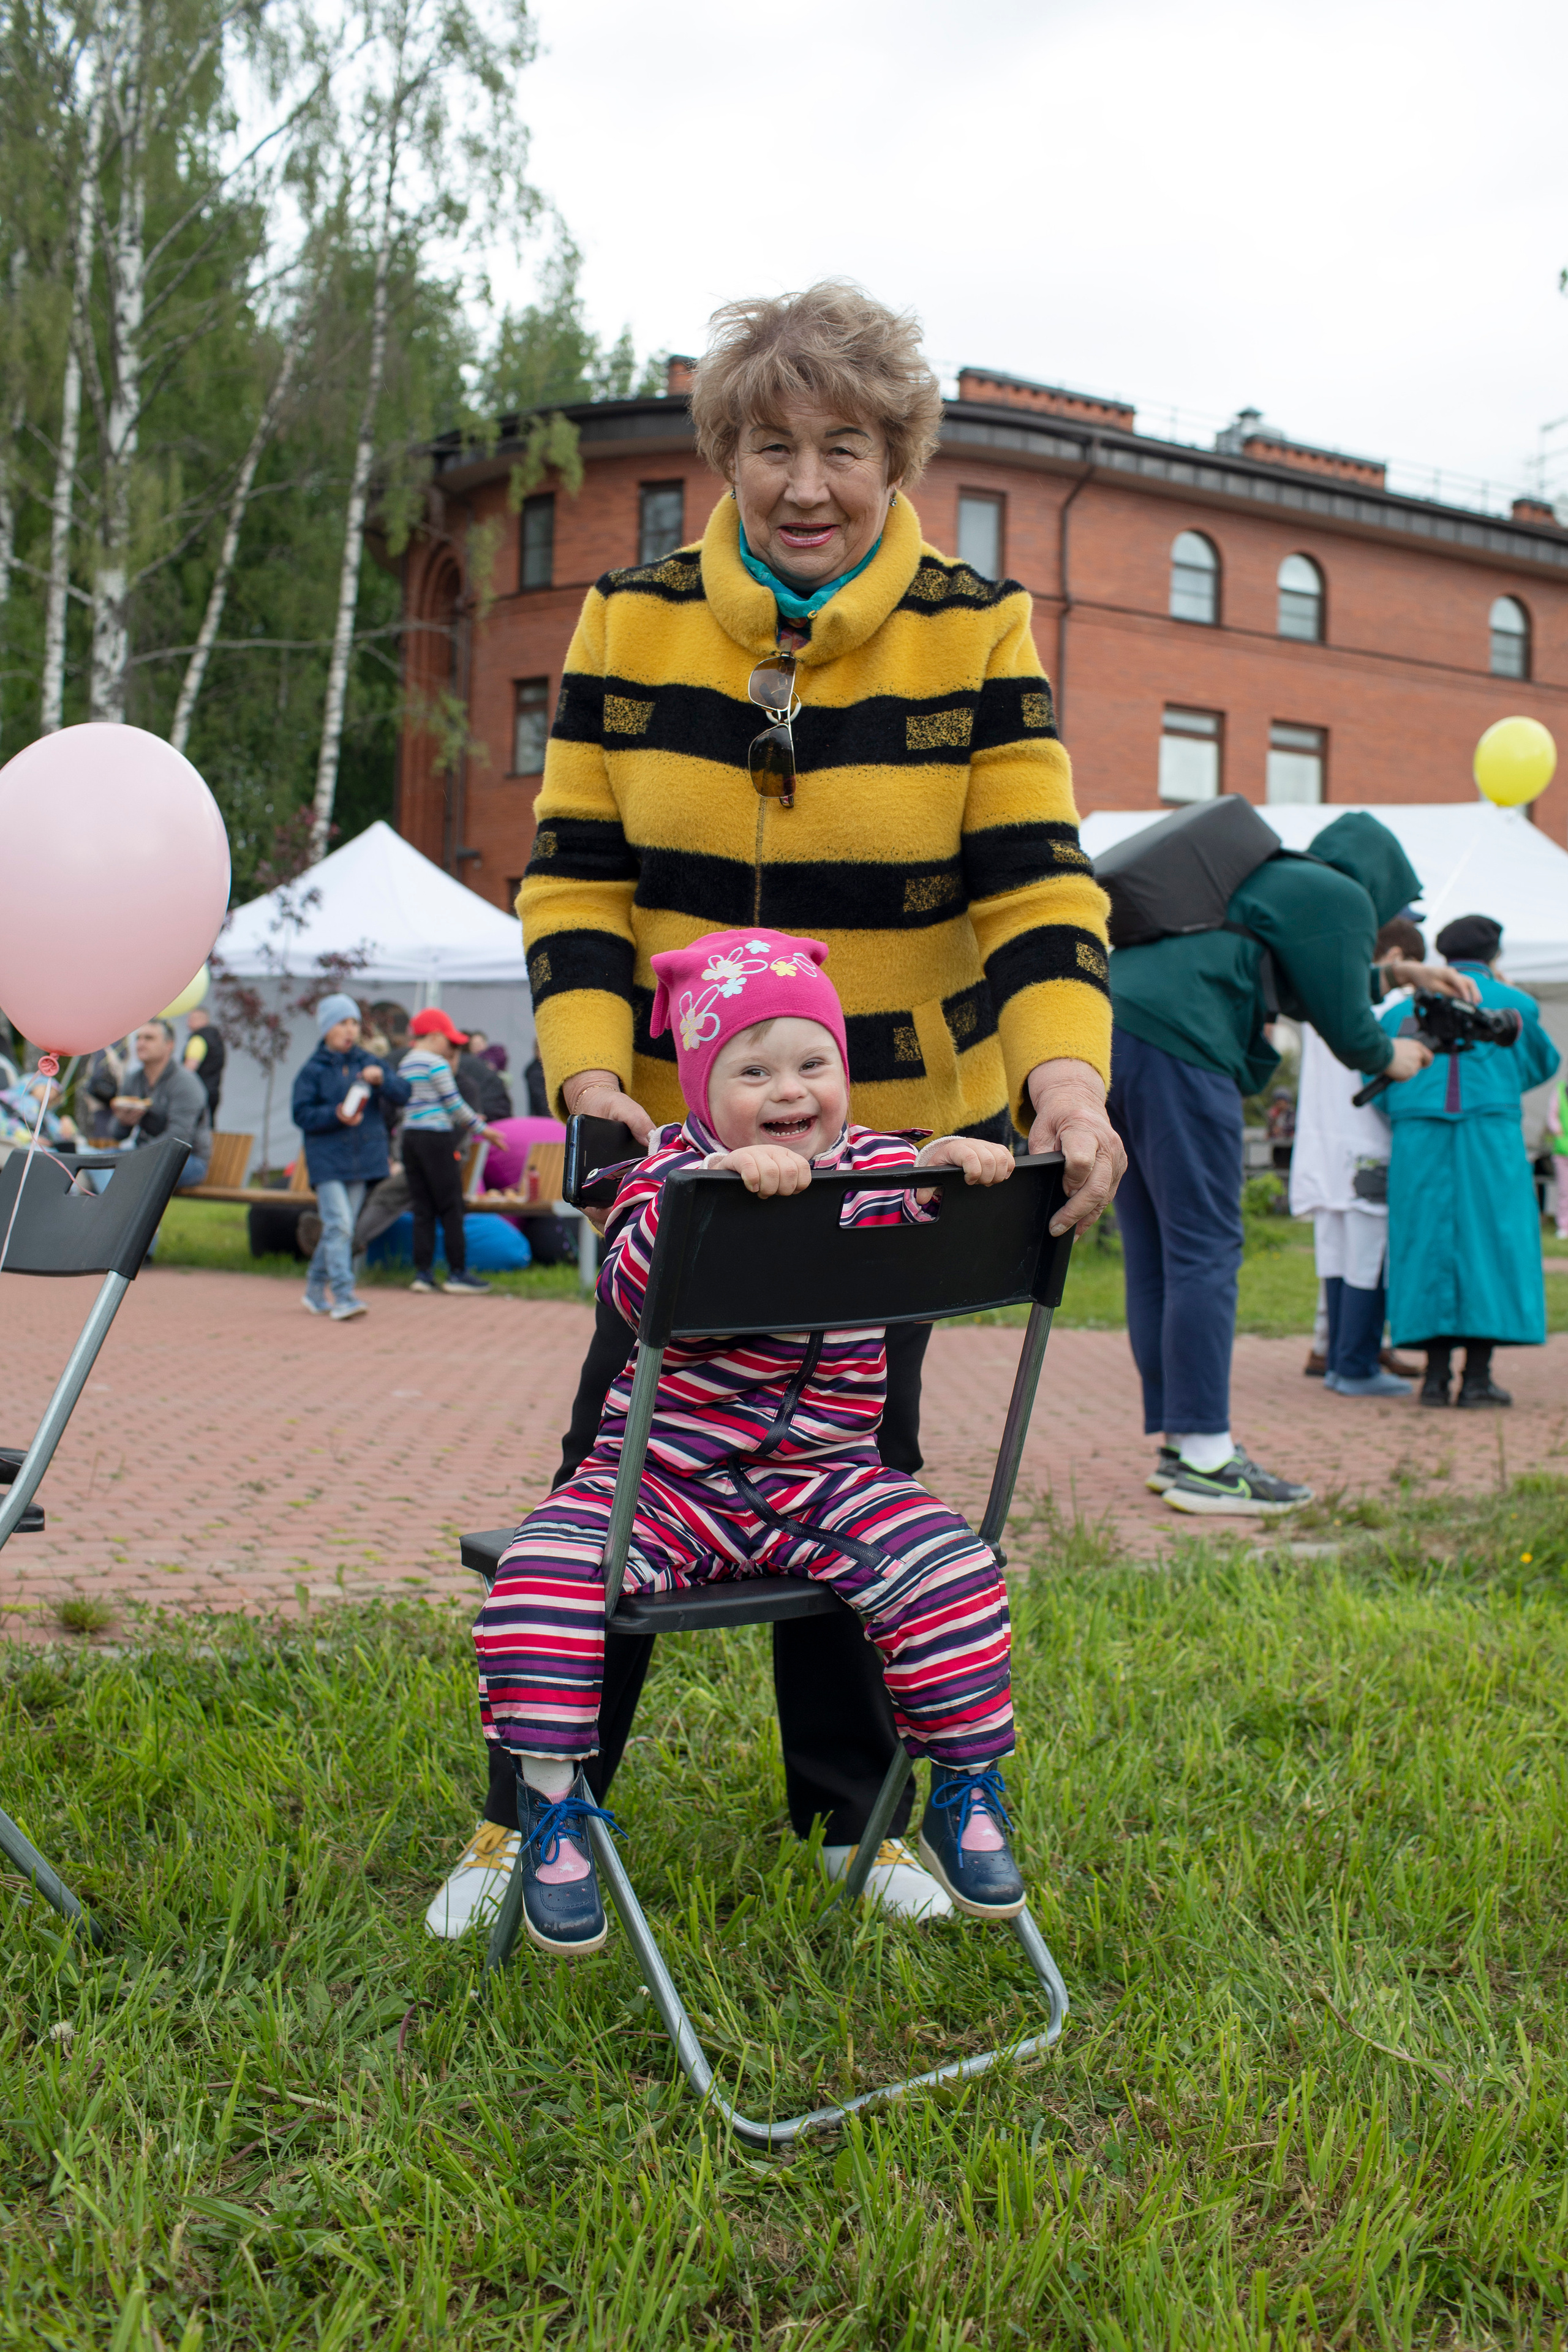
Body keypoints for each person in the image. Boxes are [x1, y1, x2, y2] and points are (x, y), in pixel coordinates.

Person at [429, 280, 1121, 1944]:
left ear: (900, 456)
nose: (806, 485)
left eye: (846, 448)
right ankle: (530, 1809)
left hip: (891, 1142)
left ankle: (854, 1819)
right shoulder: (627, 619)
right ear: (723, 455)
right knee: (620, 1460)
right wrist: (595, 1087)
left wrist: (1069, 1081)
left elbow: (1034, 883)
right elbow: (576, 878)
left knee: (857, 1461)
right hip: (693, 1155)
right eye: (768, 446)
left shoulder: (978, 626)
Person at [473, 929, 1026, 1955]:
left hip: (827, 1477)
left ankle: (962, 1784)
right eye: (754, 1070)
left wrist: (953, 1174)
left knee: (953, 1563)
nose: (790, 1091)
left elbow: (921, 1207)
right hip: (668, 1483)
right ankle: (550, 1809)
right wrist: (721, 1201)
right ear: (699, 1086)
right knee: (540, 1577)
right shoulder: (664, 1178)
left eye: (814, 1064)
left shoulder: (872, 1166)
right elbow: (634, 1284)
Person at [1109, 811, 1436, 1514]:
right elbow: (1349, 1030)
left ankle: (1179, 1446)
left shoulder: (1269, 881)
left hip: (1114, 1032)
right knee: (1204, 1251)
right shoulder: (1339, 896)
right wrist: (1394, 1056)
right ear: (1379, 880)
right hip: (1181, 1044)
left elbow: (1299, 978)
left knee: (1158, 1254)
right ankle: (1206, 1459)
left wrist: (1398, 973)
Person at [1379, 913, 1559, 1408]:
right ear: (1494, 955)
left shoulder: (1399, 1013)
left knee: (1424, 1244)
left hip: (1418, 1135)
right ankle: (1478, 1378)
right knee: (1492, 1244)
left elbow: (1375, 1081)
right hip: (1490, 1133)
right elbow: (1542, 1064)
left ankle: (1434, 1379)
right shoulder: (1516, 1005)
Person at [1289, 916, 1471, 1398]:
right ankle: (1356, 1364)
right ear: (1396, 960)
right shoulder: (1390, 1005)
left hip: (1321, 1148)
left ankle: (1337, 1359)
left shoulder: (1317, 1000)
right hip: (1368, 1146)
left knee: (1335, 1258)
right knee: (1368, 1262)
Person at [290, 993, 412, 1322]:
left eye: (354, 1023)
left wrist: (383, 1079)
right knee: (341, 1226)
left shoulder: (369, 1063)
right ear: (326, 1028)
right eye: (342, 1023)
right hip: (327, 1160)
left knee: (338, 1229)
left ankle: (315, 1291)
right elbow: (301, 1115)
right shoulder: (312, 1070)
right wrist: (335, 1115)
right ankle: (344, 1295)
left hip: (362, 1160)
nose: (349, 1030)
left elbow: (403, 1094)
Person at [398, 1008, 505, 1295]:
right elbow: (454, 1105)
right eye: (449, 1040)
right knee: (451, 1205)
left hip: (410, 1138)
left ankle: (423, 1274)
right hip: (436, 1137)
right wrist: (485, 1130)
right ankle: (457, 1272)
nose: (452, 1047)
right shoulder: (436, 1063)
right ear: (434, 1036)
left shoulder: (406, 1064)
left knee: (422, 1208)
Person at [96, 1019, 213, 1186]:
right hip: (144, 1156)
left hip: (187, 1161)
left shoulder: (186, 1083)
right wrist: (124, 1122)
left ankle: (116, 1211)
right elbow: (116, 1134)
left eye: (149, 1038)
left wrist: (135, 1155)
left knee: (127, 1169)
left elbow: (178, 1138)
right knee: (95, 1161)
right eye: (138, 1038)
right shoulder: (133, 1079)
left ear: (169, 1045)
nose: (141, 1044)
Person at [181, 1005, 226, 1120]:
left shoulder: (198, 1040)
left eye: (192, 1019)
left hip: (197, 1094)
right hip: (213, 1092)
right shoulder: (216, 1038)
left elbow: (188, 1070)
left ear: (203, 1020)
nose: (188, 1022)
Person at [1548, 1073, 1568, 1242]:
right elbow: (1552, 1117)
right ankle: (1563, 1226)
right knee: (1565, 1191)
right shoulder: (1561, 1090)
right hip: (1562, 1150)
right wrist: (1558, 1132)